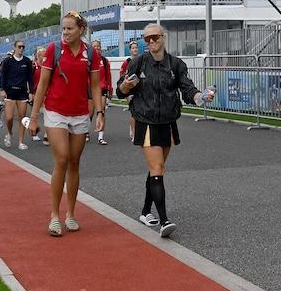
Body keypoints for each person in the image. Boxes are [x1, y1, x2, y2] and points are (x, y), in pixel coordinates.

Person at [117, 23, 213, 238]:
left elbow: (187, 88)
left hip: (168, 122)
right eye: (147, 38)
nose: (151, 41)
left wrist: (200, 96)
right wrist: (125, 86)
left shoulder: (176, 64)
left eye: (155, 37)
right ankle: (164, 221)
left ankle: (145, 211)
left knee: (156, 170)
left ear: (163, 37)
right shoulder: (138, 62)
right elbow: (120, 90)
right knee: (157, 167)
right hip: (146, 121)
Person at [28, 11, 103, 237]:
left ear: (81, 29)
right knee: (61, 158)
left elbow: (96, 86)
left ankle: (70, 214)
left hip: (80, 113)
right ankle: (54, 216)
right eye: (63, 28)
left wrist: (100, 112)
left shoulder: (91, 53)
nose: (65, 32)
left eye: (70, 28)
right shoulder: (54, 50)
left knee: (74, 162)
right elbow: (42, 85)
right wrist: (34, 116)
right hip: (55, 111)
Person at [0, 41, 34, 150]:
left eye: (23, 47)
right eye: (19, 46)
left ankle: (21, 142)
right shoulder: (7, 61)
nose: (21, 48)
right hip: (10, 92)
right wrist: (2, 89)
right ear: (14, 47)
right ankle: (9, 133)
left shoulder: (27, 61)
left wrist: (31, 92)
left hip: (22, 93)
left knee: (22, 118)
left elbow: (30, 78)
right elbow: (2, 75)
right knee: (9, 118)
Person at [91, 39, 113, 145]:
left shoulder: (104, 61)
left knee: (101, 112)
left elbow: (108, 76)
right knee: (89, 113)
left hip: (102, 88)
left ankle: (100, 136)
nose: (96, 48)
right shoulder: (88, 61)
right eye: (94, 46)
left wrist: (110, 89)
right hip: (90, 89)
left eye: (98, 46)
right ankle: (85, 132)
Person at [119, 41, 140, 141]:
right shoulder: (126, 62)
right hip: (129, 90)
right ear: (130, 50)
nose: (135, 49)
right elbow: (121, 77)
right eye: (133, 48)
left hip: (139, 89)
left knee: (139, 111)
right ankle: (134, 132)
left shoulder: (141, 60)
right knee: (133, 111)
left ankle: (135, 129)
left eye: (136, 47)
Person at [30, 46, 48, 145]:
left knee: (47, 114)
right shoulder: (33, 66)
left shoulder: (47, 66)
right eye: (42, 55)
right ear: (38, 56)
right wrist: (31, 92)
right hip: (36, 93)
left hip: (46, 93)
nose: (44, 57)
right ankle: (34, 133)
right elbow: (30, 80)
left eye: (45, 55)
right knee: (35, 113)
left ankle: (47, 134)